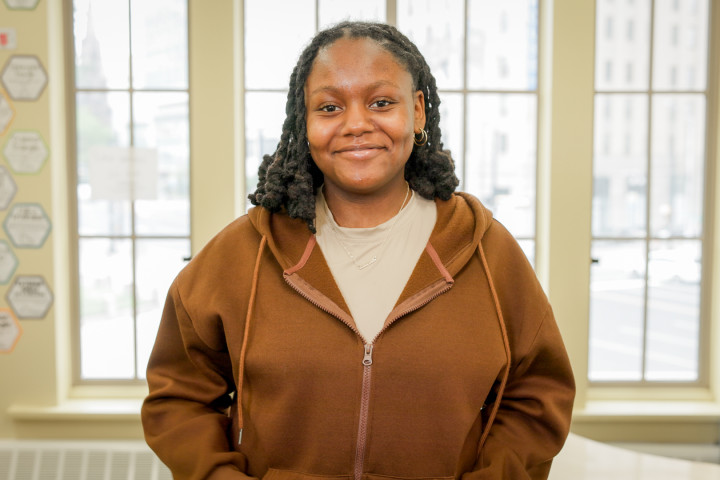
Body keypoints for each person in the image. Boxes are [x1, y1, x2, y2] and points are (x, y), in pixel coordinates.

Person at [142, 21, 575, 480]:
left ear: (419, 111)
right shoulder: (241, 254)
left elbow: (537, 396)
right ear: (303, 122)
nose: (355, 125)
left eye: (381, 102)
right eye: (329, 107)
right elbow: (179, 396)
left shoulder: (489, 252)